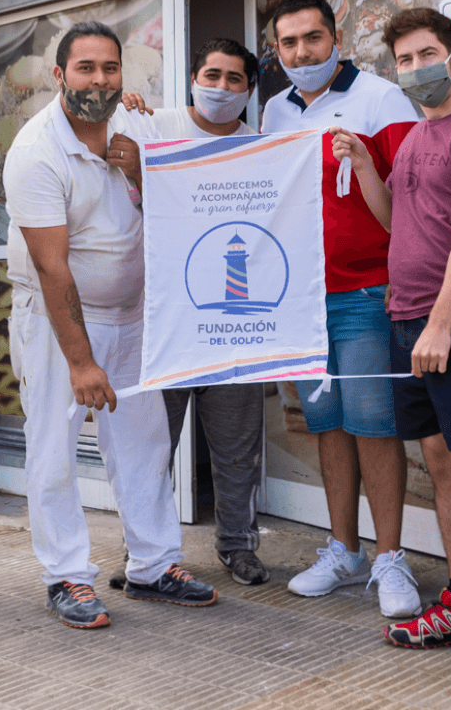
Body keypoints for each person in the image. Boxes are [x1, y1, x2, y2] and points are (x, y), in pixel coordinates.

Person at [331, 6, 451, 700]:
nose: (416, 69)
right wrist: (364, 165)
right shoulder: (416, 138)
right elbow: (399, 221)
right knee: (439, 464)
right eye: (404, 61)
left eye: (425, 55)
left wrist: (440, 324)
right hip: (408, 318)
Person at [3, 20, 217, 629]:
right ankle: (66, 575)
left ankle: (153, 566)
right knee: (54, 448)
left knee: (145, 445)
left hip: (134, 314)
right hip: (57, 322)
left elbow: (184, 201)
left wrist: (143, 172)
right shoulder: (35, 152)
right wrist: (81, 362)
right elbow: (52, 268)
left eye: (110, 68)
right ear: (59, 75)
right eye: (85, 68)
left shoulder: (138, 125)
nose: (99, 80)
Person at [261, 0, 422, 618]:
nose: (302, 52)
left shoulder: (382, 99)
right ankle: (343, 551)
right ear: (277, 51)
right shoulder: (274, 111)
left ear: (336, 38)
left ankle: (391, 558)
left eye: (313, 38)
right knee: (326, 423)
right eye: (289, 43)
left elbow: (411, 202)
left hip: (366, 291)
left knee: (374, 424)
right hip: (300, 299)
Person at [118, 37, 269, 587]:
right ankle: (146, 553)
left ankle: (238, 545)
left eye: (234, 79)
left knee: (237, 446)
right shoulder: (152, 127)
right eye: (212, 75)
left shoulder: (263, 148)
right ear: (192, 79)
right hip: (165, 318)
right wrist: (121, 108)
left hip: (234, 322)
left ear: (249, 90)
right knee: (153, 444)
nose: (221, 88)